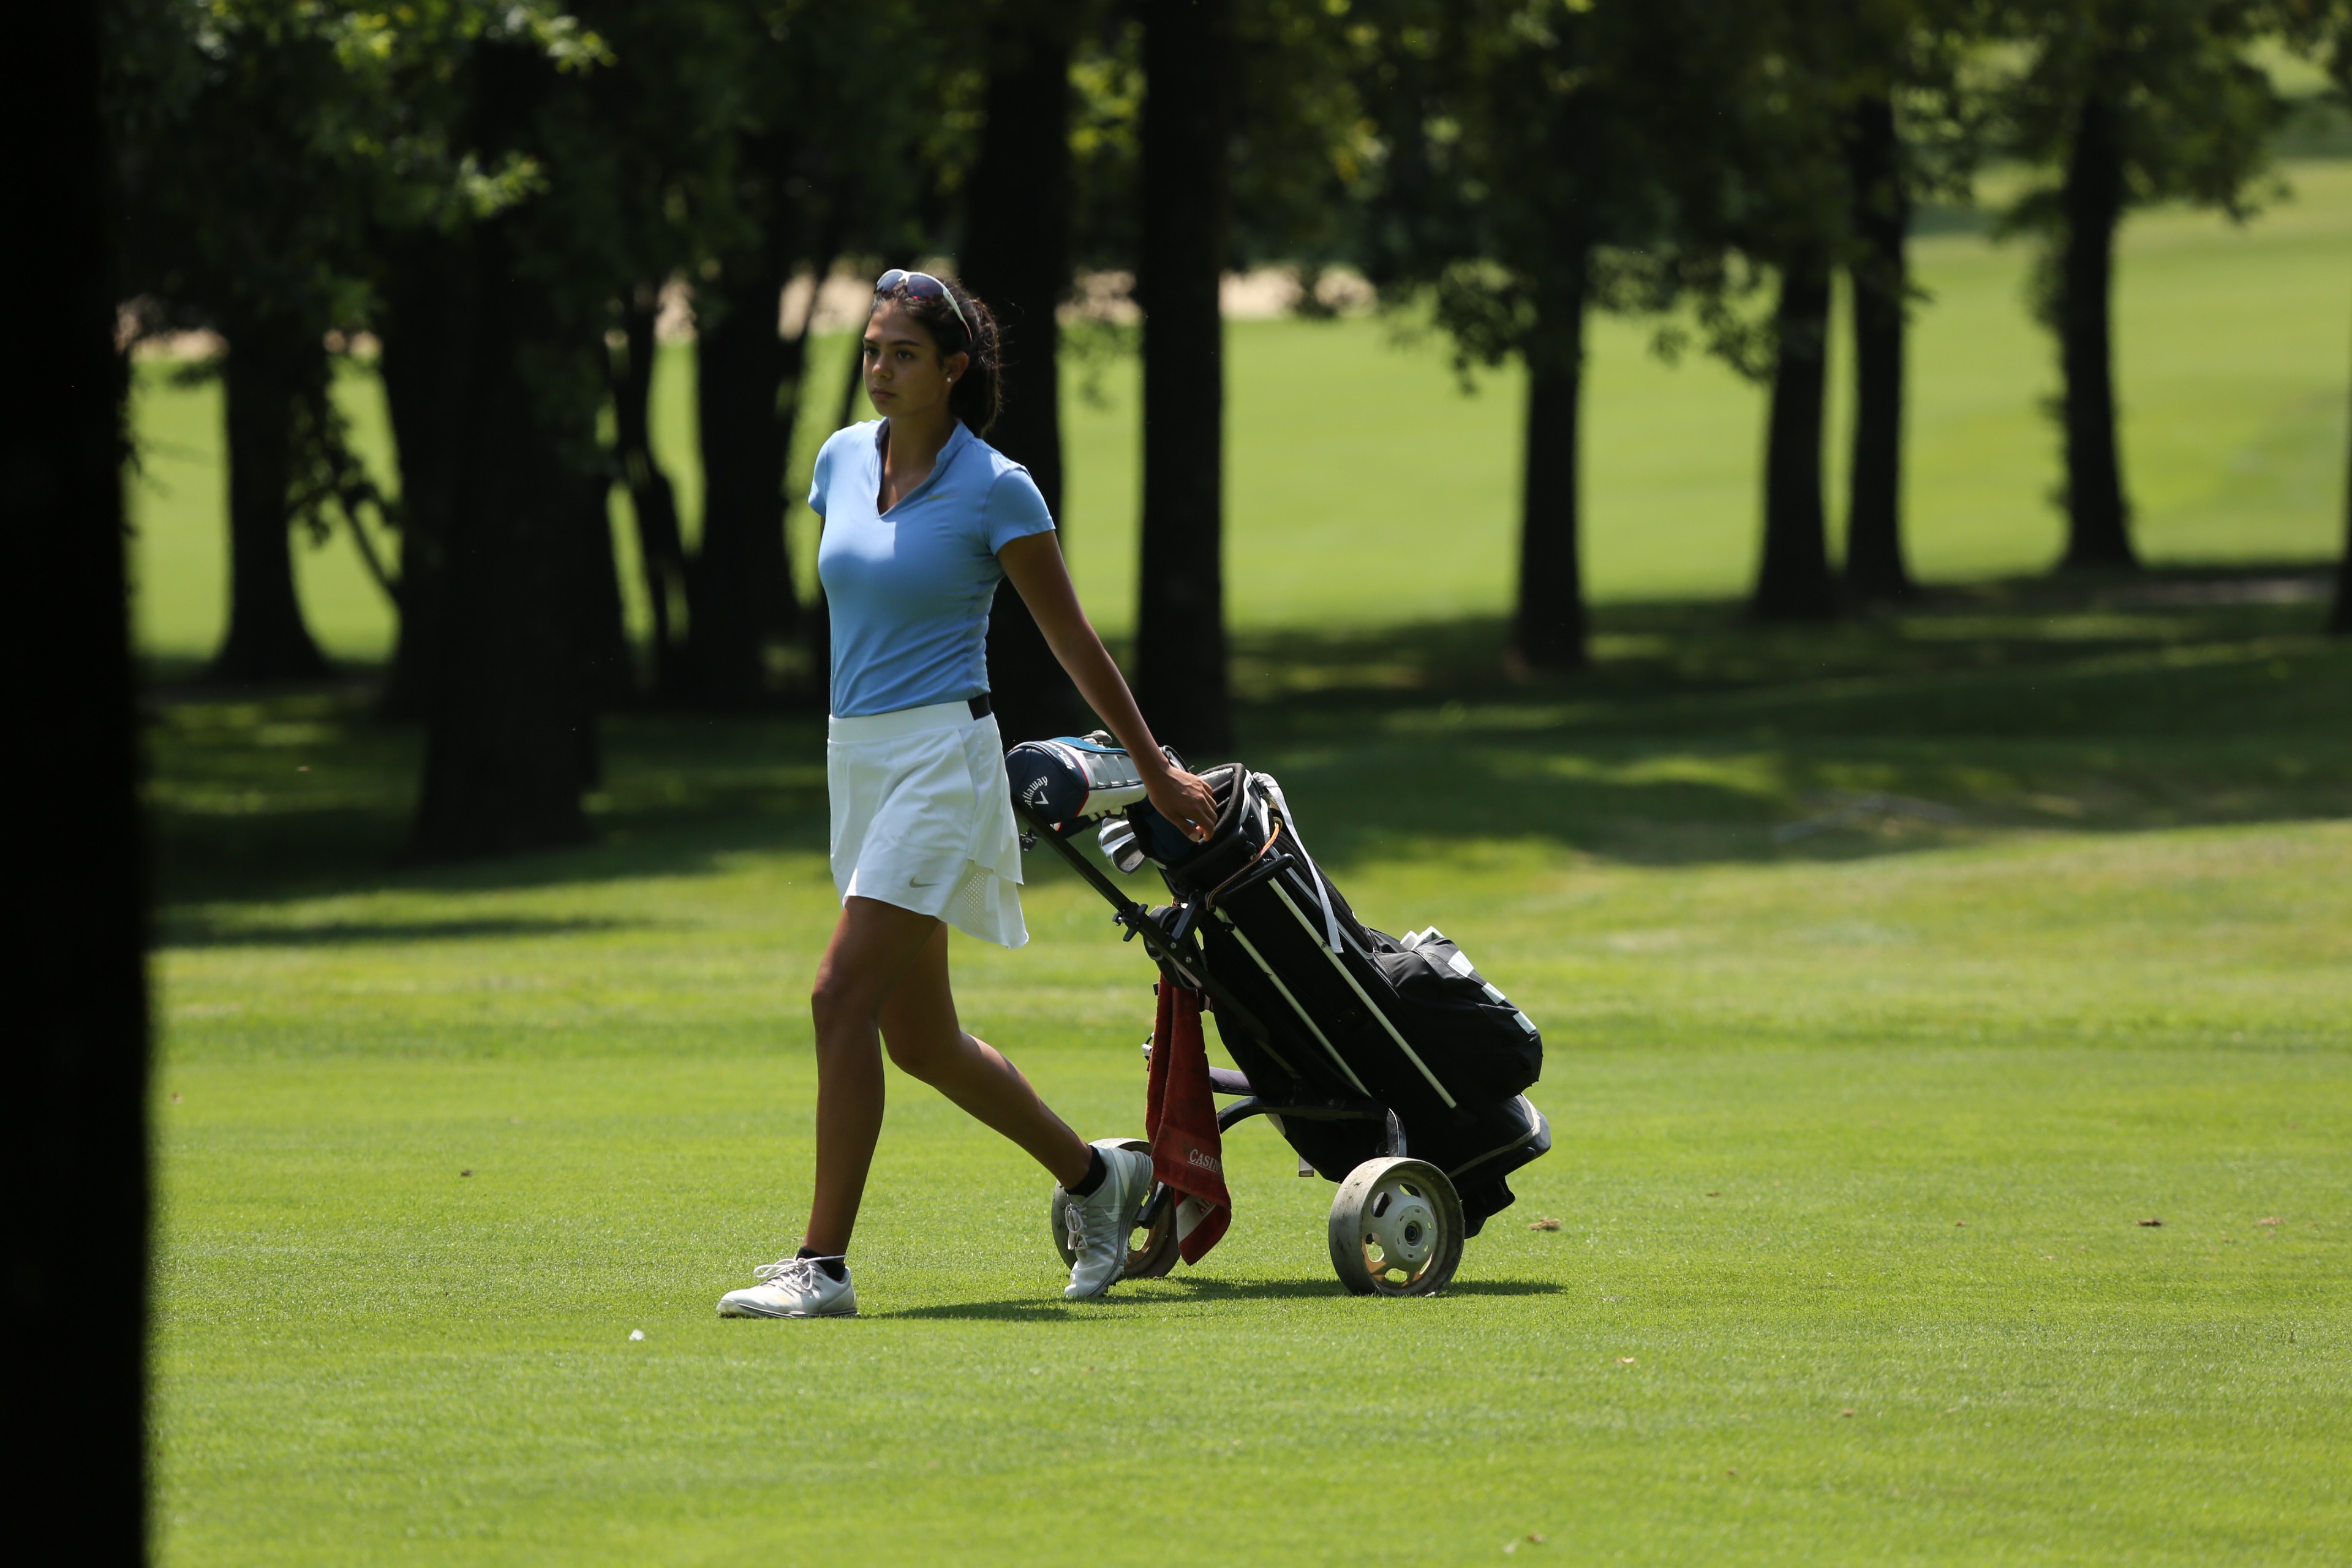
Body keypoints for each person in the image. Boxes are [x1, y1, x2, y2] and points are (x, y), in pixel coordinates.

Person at [718, 270, 1219, 1319]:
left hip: (944, 762)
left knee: (836, 997)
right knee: (920, 1040)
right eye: (872, 351)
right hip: (855, 761)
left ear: (954, 369)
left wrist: (1157, 768)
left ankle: (823, 1267)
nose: (881, 370)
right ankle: (1099, 1177)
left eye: (903, 353)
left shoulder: (1000, 487)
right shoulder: (839, 462)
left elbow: (1070, 639)